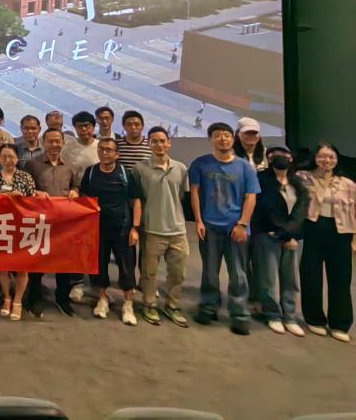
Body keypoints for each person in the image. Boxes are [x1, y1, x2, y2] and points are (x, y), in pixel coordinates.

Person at [189, 122, 260, 335]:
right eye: (218, 135)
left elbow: (251, 197)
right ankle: (208, 307)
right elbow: (194, 193)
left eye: (227, 135)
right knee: (210, 271)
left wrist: (242, 224)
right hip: (210, 226)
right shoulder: (200, 164)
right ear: (210, 139)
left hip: (236, 227)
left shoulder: (244, 167)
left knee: (238, 273)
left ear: (233, 138)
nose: (223, 139)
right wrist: (199, 221)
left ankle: (239, 314)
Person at [296, 142, 356, 342]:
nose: (326, 160)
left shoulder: (348, 184)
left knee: (341, 278)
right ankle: (314, 319)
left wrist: (355, 240)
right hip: (313, 230)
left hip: (341, 233)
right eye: (322, 156)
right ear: (314, 158)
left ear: (337, 160)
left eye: (331, 157)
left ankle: (340, 323)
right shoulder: (303, 177)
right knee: (311, 275)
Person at [77, 138, 139, 326]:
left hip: (122, 229)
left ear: (117, 154)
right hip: (97, 229)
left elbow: (136, 201)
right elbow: (84, 198)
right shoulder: (90, 173)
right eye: (101, 149)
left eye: (109, 150)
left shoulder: (126, 173)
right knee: (99, 267)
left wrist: (135, 228)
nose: (104, 153)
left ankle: (128, 304)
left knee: (127, 268)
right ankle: (102, 299)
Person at [132, 126, 190, 328]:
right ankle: (149, 304)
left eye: (162, 141)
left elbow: (181, 196)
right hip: (152, 229)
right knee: (149, 272)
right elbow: (138, 199)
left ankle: (172, 304)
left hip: (178, 230)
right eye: (154, 141)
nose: (159, 145)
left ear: (169, 143)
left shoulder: (180, 168)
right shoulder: (140, 169)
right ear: (148, 144)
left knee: (178, 272)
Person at [253, 146, 308, 336]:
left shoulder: (298, 183)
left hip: (293, 238)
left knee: (291, 278)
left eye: (284, 155)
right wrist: (281, 233)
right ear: (269, 159)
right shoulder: (261, 180)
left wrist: (289, 234)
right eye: (275, 155)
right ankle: (272, 314)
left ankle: (290, 316)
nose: (280, 158)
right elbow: (264, 208)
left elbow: (300, 211)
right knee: (269, 278)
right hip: (268, 235)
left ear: (291, 158)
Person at [22, 128, 77, 317]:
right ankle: (35, 298)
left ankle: (63, 298)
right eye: (50, 141)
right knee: (37, 262)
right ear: (43, 143)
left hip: (64, 222)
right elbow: (26, 188)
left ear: (63, 143)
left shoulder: (69, 166)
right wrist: (36, 193)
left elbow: (75, 186)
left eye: (57, 141)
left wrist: (75, 191)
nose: (54, 145)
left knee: (64, 262)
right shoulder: (32, 164)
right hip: (41, 221)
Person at [0, 143, 36, 321]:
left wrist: (22, 199)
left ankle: (18, 301)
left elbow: (34, 202)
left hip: (22, 226)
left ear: (17, 158)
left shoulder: (25, 177)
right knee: (2, 266)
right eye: (4, 157)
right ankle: (7, 297)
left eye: (11, 157)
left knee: (22, 266)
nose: (8, 160)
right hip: (0, 226)